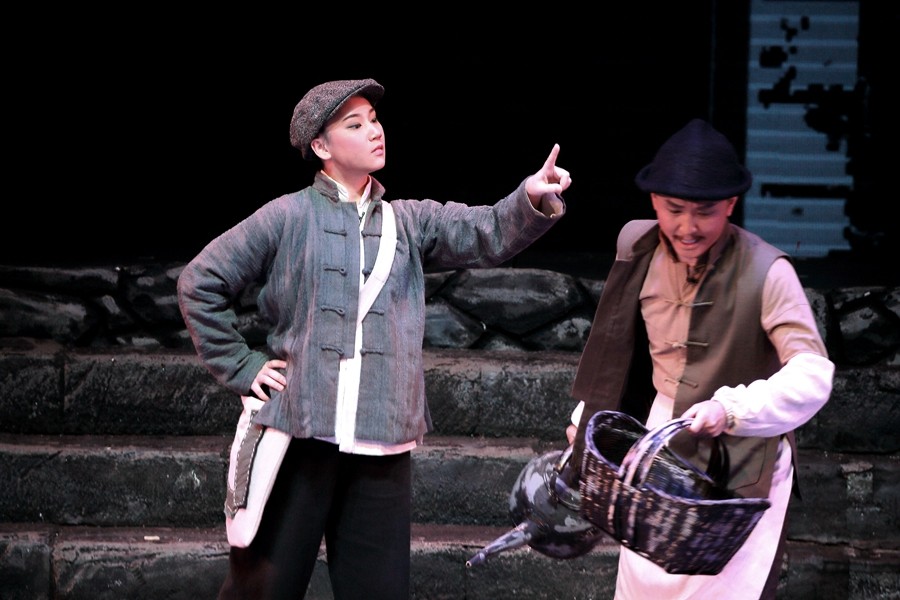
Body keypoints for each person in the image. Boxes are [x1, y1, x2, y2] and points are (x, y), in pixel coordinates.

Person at [177, 78, 568, 599]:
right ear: (321, 145)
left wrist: (530, 198)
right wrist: (243, 366)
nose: (374, 131)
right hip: (300, 435)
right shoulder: (287, 216)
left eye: (375, 120)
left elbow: (485, 231)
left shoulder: (409, 222)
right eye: (355, 124)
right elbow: (199, 282)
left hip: (381, 443)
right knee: (265, 588)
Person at [564, 118, 834, 599]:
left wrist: (731, 409)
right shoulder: (639, 247)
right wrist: (588, 423)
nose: (687, 228)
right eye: (674, 210)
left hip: (741, 455)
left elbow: (813, 373)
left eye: (705, 212)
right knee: (643, 586)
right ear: (654, 201)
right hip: (661, 439)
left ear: (730, 204)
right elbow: (619, 351)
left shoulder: (767, 271)